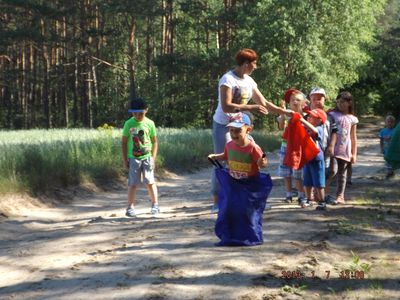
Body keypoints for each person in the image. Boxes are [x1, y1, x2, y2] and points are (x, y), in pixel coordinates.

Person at [210, 48, 290, 213]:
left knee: (244, 159)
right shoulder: (228, 80)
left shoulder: (249, 81)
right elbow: (226, 106)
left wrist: (284, 112)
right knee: (224, 161)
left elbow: (264, 103)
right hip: (223, 125)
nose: (255, 66)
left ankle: (238, 194)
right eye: (254, 64)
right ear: (246, 64)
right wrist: (251, 107)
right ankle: (217, 200)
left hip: (240, 125)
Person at [208, 112, 271, 246]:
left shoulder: (253, 147)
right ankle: (230, 235)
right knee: (228, 209)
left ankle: (251, 236)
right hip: (233, 183)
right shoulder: (229, 145)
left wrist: (262, 162)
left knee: (247, 213)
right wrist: (215, 156)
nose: (234, 134)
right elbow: (226, 156)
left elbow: (263, 163)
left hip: (249, 185)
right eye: (231, 130)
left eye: (238, 130)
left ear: (248, 129)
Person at [121, 98, 159, 217]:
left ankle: (155, 205)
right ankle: (130, 207)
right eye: (134, 113)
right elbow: (123, 142)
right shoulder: (128, 123)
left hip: (147, 157)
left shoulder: (150, 123)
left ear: (146, 110)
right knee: (133, 183)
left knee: (150, 182)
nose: (137, 116)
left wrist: (153, 157)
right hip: (133, 158)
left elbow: (155, 142)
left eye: (140, 113)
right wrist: (125, 159)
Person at [327, 91, 358, 204]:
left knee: (342, 174)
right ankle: (322, 192)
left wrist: (354, 154)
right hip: (332, 148)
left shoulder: (352, 119)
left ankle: (340, 196)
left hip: (345, 149)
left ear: (349, 103)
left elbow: (353, 137)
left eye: (343, 102)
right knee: (332, 171)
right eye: (338, 102)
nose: (340, 104)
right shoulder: (332, 115)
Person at [307, 87, 338, 202]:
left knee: (328, 171)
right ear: (310, 100)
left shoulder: (330, 117)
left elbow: (335, 132)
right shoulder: (307, 116)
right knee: (311, 172)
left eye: (320, 98)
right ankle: (313, 196)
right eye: (314, 98)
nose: (317, 101)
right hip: (312, 151)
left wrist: (331, 146)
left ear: (325, 99)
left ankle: (321, 193)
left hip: (325, 149)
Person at [277, 89, 307, 205]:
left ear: (303, 103)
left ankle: (300, 195)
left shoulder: (305, 116)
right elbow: (280, 127)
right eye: (292, 100)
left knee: (298, 172)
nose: (295, 102)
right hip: (286, 145)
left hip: (297, 147)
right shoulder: (286, 113)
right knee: (286, 172)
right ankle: (288, 195)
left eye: (298, 100)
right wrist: (282, 114)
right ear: (289, 102)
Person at [300, 108, 328, 210]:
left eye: (312, 116)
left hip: (317, 159)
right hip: (307, 158)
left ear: (319, 120)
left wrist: (303, 121)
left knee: (319, 181)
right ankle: (308, 199)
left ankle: (322, 201)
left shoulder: (320, 128)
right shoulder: (307, 128)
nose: (309, 117)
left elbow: (315, 131)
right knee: (307, 180)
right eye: (309, 116)